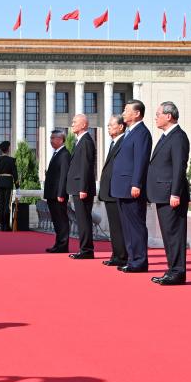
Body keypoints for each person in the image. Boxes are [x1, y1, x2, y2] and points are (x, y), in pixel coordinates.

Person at [147, 101, 191, 286]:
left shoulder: (178, 137)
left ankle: (177, 272)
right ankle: (172, 270)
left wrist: (175, 193)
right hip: (162, 193)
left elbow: (179, 168)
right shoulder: (166, 136)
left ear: (168, 116)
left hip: (171, 195)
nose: (156, 117)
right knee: (168, 235)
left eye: (158, 114)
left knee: (174, 235)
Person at [111, 100, 152, 273]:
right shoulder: (130, 132)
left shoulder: (142, 133)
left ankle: (140, 261)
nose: (123, 113)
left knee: (136, 226)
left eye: (127, 110)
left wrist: (136, 183)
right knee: (127, 227)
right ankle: (132, 259)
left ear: (137, 113)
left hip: (131, 187)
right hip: (122, 187)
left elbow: (141, 161)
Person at [66, 114, 98, 259]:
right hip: (78, 187)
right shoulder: (80, 141)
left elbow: (86, 167)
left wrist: (83, 188)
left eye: (75, 122)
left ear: (84, 125)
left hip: (82, 188)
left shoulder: (85, 141)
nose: (72, 124)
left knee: (84, 219)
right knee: (81, 219)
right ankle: (84, 248)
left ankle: (86, 250)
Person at [98, 114, 128, 267]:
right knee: (113, 227)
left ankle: (122, 256)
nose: (108, 127)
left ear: (121, 127)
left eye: (111, 125)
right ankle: (116, 254)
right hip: (109, 191)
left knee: (119, 226)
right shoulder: (113, 143)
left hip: (117, 191)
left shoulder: (124, 142)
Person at [43, 130, 72, 253]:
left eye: (53, 138)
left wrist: (61, 193)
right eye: (50, 138)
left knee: (61, 220)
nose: (51, 140)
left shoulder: (64, 154)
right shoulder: (56, 153)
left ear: (61, 139)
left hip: (58, 195)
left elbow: (64, 175)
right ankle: (58, 243)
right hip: (52, 194)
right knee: (56, 220)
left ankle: (63, 245)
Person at [0, 141, 19, 232]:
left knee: (1, 204)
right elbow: (15, 174)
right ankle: (6, 226)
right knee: (7, 205)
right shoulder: (12, 160)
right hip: (8, 183)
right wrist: (17, 186)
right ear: (8, 149)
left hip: (0, 183)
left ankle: (2, 225)